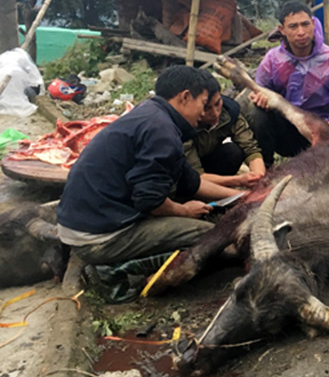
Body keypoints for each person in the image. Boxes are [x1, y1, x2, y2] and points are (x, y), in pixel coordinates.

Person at [57, 65, 243, 301]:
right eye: (203, 103)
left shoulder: (153, 114)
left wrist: (241, 197)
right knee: (211, 237)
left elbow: (191, 181)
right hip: (98, 237)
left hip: (86, 223)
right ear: (185, 97)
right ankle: (113, 270)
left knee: (205, 231)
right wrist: (184, 211)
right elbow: (149, 200)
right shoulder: (161, 130)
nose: (204, 111)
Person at [241, 0, 329, 166]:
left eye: (305, 24)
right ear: (282, 30)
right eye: (293, 26)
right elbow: (261, 91)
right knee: (255, 112)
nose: (301, 32)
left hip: (327, 134)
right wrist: (261, 100)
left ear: (313, 24)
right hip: (290, 133)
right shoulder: (272, 61)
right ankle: (265, 169)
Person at [184, 71, 266, 188]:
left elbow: (251, 149)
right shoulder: (182, 125)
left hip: (210, 163)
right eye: (206, 108)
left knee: (232, 152)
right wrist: (238, 181)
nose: (215, 113)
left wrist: (258, 176)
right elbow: (195, 175)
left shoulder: (229, 112)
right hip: (184, 174)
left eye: (217, 104)